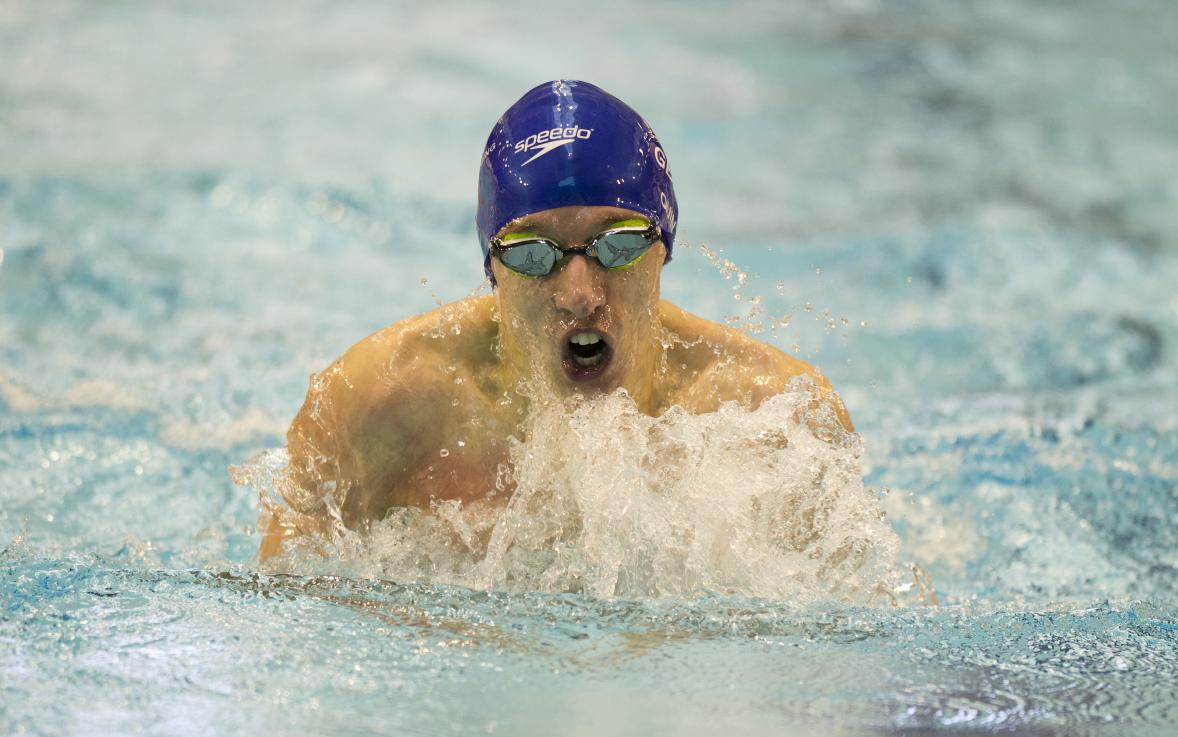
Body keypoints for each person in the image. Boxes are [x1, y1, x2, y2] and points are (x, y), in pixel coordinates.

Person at [256, 79, 851, 561]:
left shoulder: (773, 417)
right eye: (533, 253)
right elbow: (286, 613)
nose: (580, 294)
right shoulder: (378, 402)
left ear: (664, 247)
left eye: (616, 244)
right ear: (494, 267)